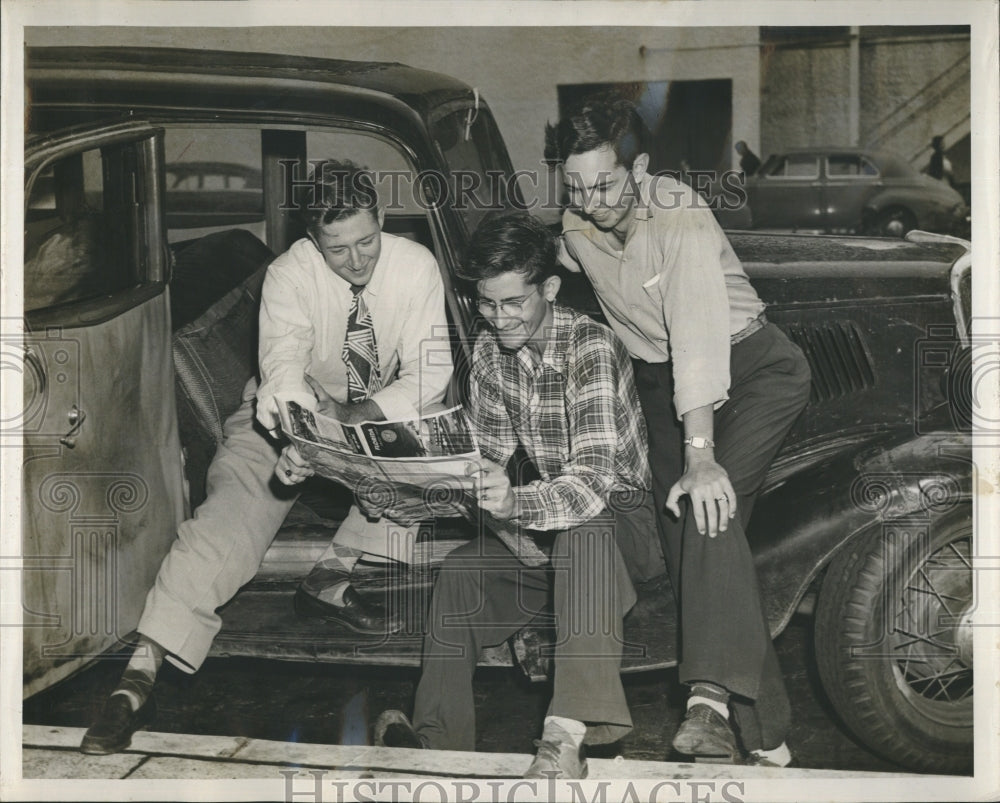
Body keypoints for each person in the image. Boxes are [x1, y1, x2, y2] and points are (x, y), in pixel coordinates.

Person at [80, 159, 453, 755]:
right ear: (312, 238)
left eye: (366, 240)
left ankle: (328, 582)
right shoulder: (289, 275)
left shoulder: (416, 266)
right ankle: (137, 679)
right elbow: (282, 372)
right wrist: (304, 439)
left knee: (407, 474)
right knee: (227, 517)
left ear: (381, 218)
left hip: (377, 415)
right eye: (338, 249)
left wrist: (358, 423)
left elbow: (430, 374)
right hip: (280, 421)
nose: (357, 260)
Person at [544, 95, 812, 768]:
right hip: (664, 390)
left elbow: (696, 335)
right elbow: (569, 253)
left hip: (749, 371)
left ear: (638, 168)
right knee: (697, 555)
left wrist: (701, 457)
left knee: (706, 508)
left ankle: (709, 704)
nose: (590, 199)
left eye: (604, 183)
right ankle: (770, 740)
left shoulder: (679, 214)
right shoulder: (578, 223)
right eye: (574, 186)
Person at [373, 213, 661, 779]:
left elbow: (593, 485)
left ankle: (565, 738)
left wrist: (517, 506)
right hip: (546, 525)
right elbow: (490, 466)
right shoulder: (488, 351)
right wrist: (413, 492)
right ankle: (439, 750)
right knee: (460, 574)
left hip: (625, 527)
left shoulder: (591, 349)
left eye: (512, 303)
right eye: (486, 303)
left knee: (586, 532)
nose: (497, 319)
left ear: (549, 289)